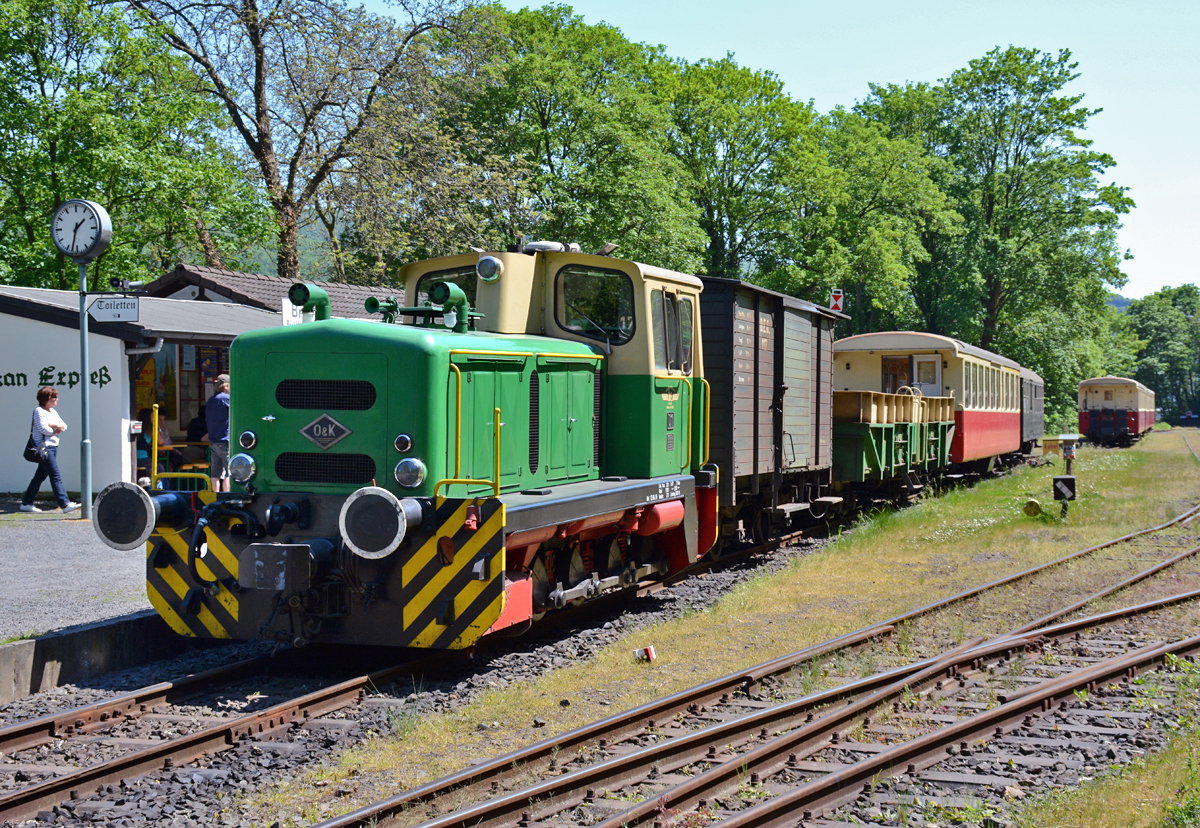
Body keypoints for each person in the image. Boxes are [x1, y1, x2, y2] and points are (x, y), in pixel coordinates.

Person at [21, 386, 79, 513]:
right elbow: (44, 430)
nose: (57, 399)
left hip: (53, 447)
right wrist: (55, 426)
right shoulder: (39, 411)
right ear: (47, 398)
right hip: (44, 448)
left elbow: (64, 426)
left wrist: (56, 425)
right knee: (55, 475)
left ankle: (26, 502)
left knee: (40, 476)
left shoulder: (53, 412)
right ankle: (65, 504)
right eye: (54, 397)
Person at [204, 374, 231, 492]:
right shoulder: (226, 399)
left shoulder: (210, 400)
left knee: (215, 474)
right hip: (225, 441)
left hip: (213, 441)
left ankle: (214, 497)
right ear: (226, 386)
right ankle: (228, 495)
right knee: (229, 472)